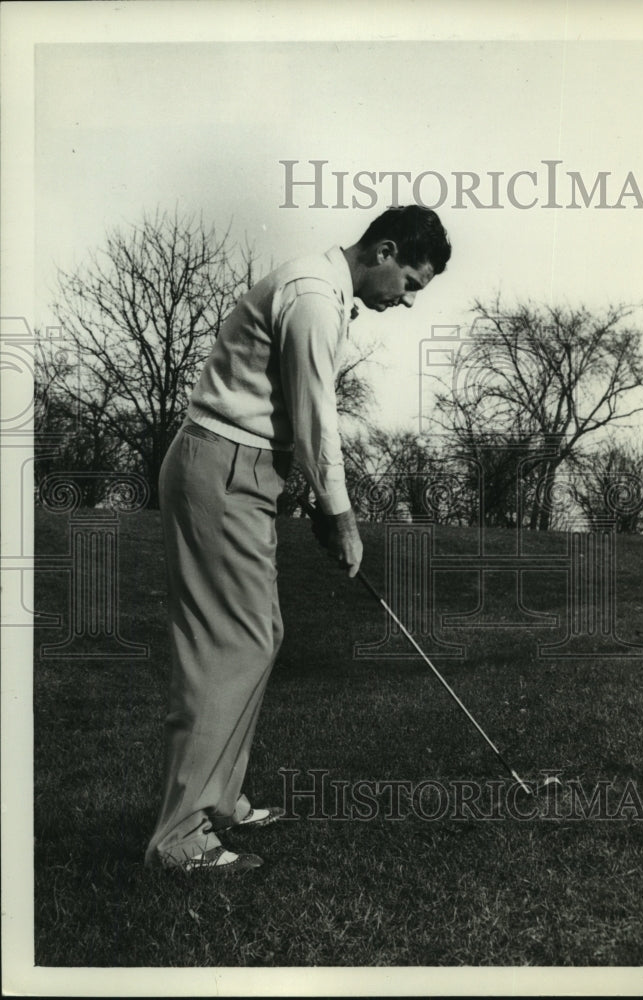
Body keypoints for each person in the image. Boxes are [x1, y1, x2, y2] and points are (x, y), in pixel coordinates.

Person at [145, 205, 452, 873]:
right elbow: (315, 416)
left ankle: (221, 801)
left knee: (258, 636)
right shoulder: (314, 297)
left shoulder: (327, 293)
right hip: (222, 467)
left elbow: (291, 414)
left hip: (245, 470)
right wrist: (341, 516)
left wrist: (311, 497)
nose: (405, 301)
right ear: (385, 251)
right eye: (410, 284)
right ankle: (181, 838)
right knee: (230, 645)